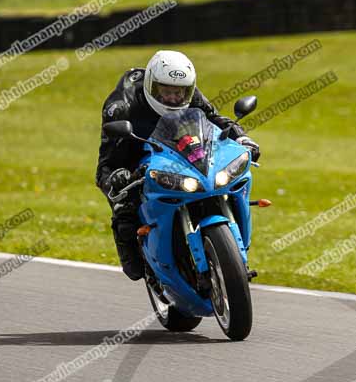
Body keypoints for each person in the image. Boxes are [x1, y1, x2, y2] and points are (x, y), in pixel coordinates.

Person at [95, 50, 260, 281]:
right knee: (124, 209)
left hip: (174, 146)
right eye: (166, 92)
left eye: (179, 93)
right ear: (152, 87)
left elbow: (214, 118)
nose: (174, 98)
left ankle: (233, 253)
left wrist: (241, 137)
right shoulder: (121, 107)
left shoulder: (190, 95)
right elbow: (106, 164)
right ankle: (144, 261)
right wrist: (116, 177)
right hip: (133, 150)